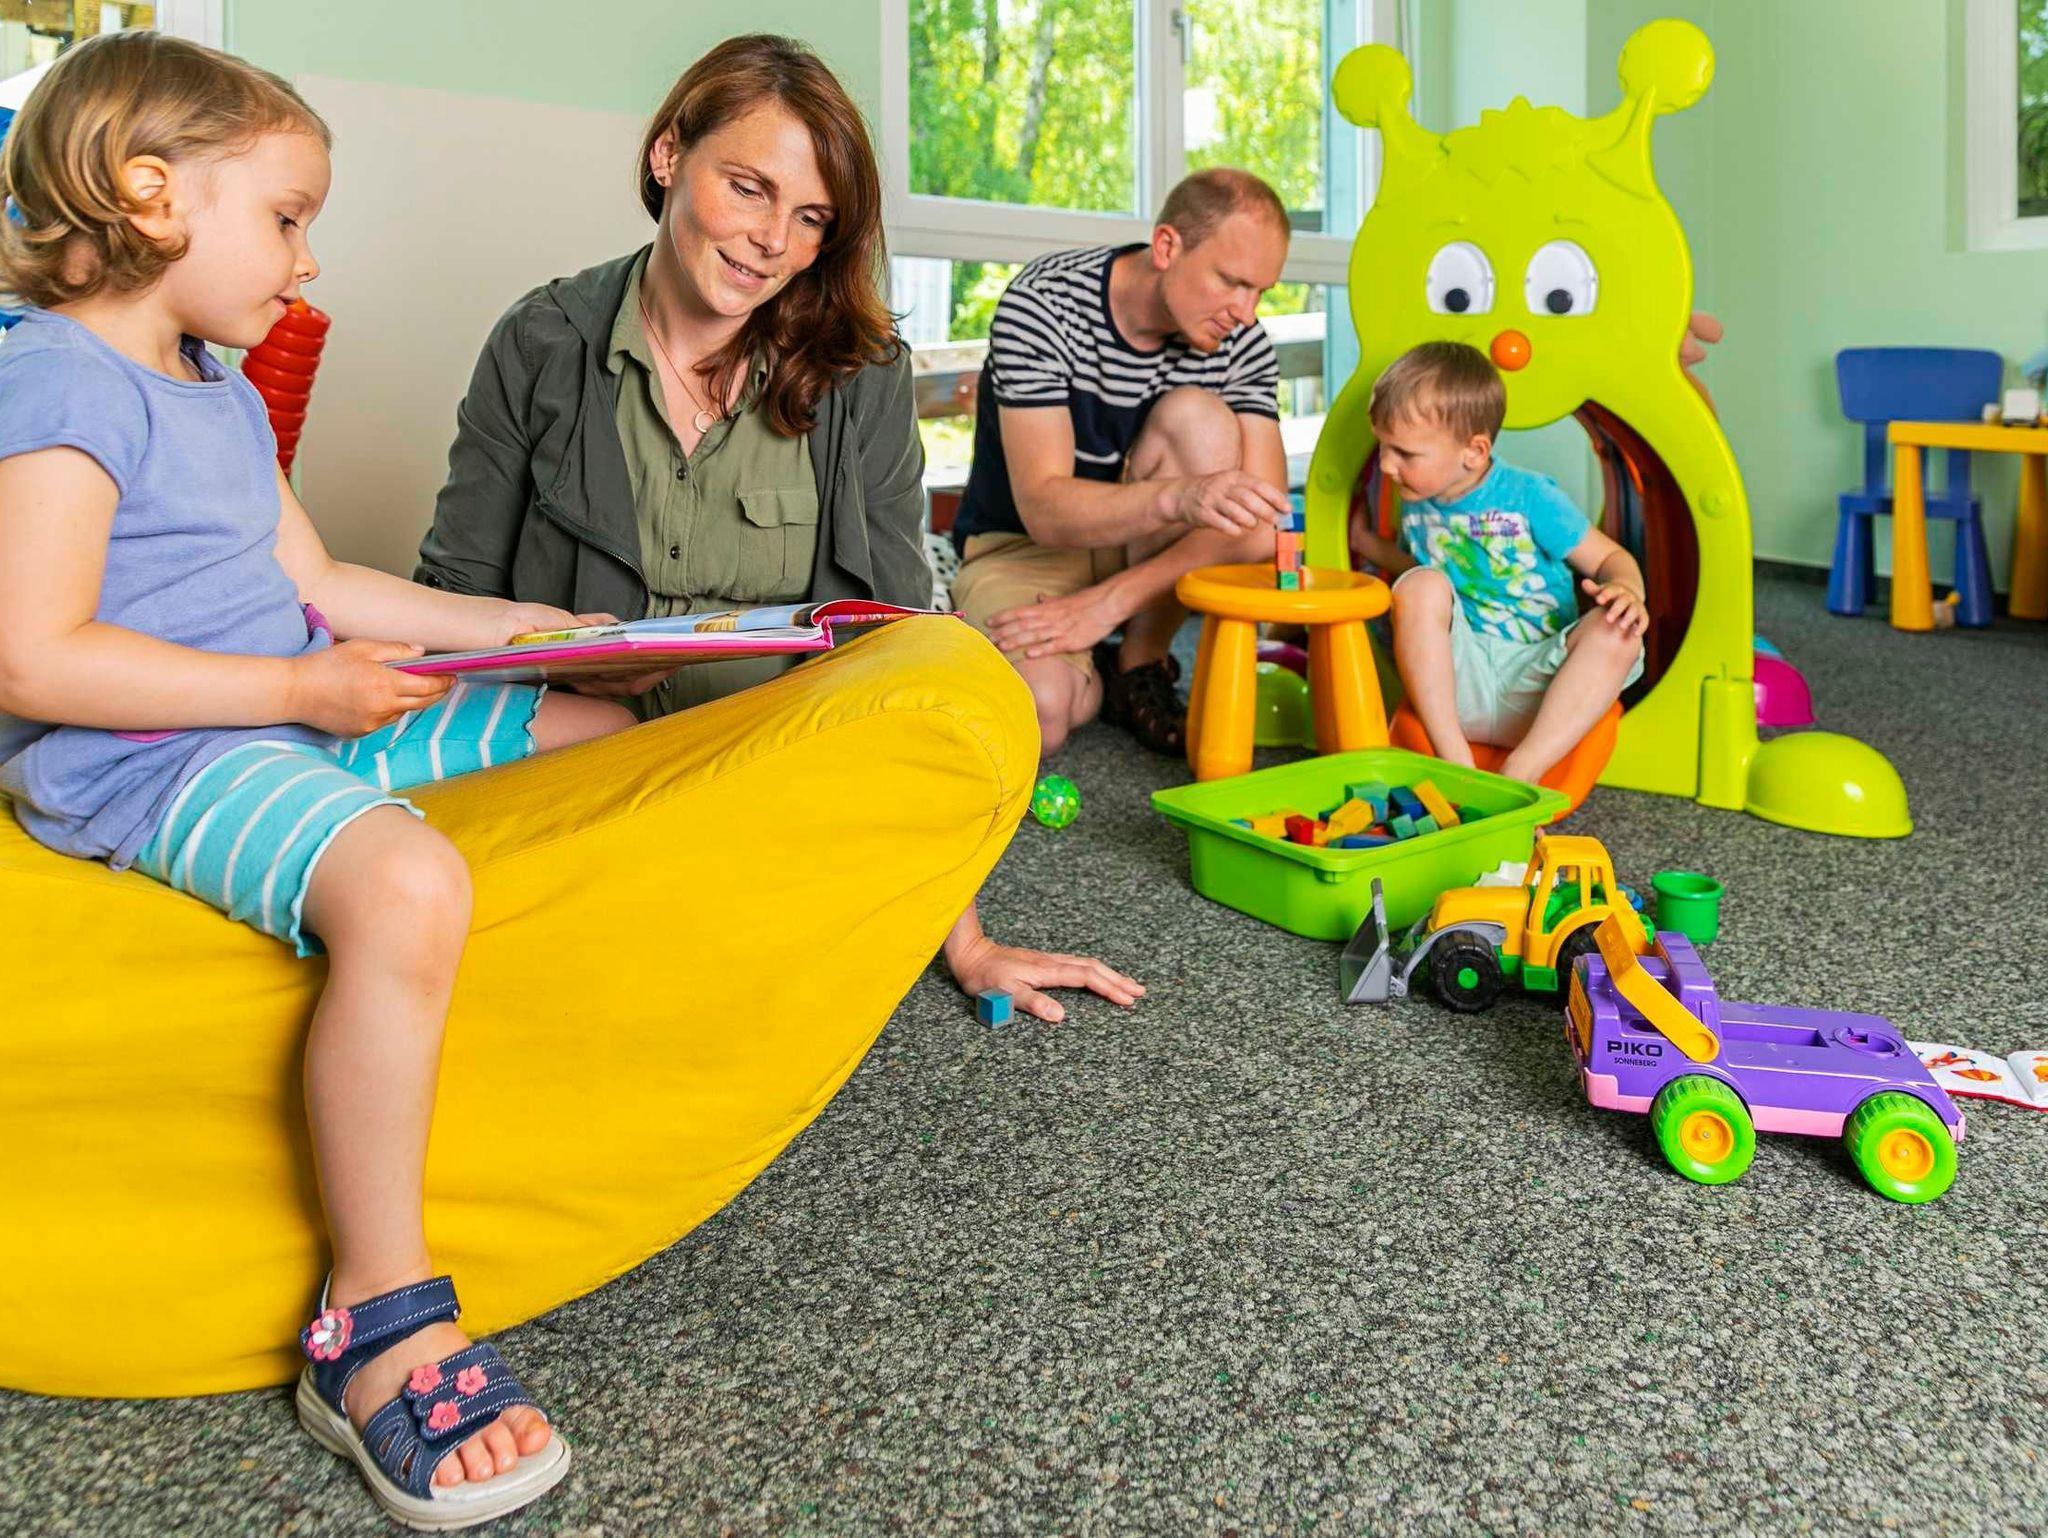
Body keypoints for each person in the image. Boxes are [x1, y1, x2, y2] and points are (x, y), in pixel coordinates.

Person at [0, 32, 625, 1527]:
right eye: (286, 217)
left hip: (284, 705)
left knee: (595, 732)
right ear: (149, 193)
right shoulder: (53, 379)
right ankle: (376, 1317)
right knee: (405, 877)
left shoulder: (212, 382)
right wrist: (295, 694)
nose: (308, 257)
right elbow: (32, 656)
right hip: (145, 758)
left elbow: (321, 580)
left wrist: (523, 628)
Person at [415, 34, 1139, 1025]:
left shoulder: (862, 373)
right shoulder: (539, 343)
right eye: (749, 189)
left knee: (968, 678)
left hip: (775, 769)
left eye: (809, 219)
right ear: (668, 155)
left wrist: (966, 941)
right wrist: (556, 653)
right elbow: (451, 596)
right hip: (580, 756)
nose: (771, 241)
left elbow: (903, 649)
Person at [948, 169, 1294, 757]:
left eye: (1260, 291)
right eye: (1232, 281)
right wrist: (1182, 497)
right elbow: (1045, 511)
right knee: (1040, 714)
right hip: (1025, 547)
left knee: (1200, 420)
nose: (1246, 311)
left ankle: (1142, 657)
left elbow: (1264, 525)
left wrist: (1107, 602)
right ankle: (1094, 678)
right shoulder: (1045, 304)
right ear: (1166, 246)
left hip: (1144, 554)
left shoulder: (1243, 345)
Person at [1346, 341, 1647, 784]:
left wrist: (1627, 589)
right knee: (1418, 584)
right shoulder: (1417, 498)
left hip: (1542, 685)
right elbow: (1417, 566)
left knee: (1620, 630)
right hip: (1455, 682)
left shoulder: (1530, 496)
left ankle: (1523, 770)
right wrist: (1366, 544)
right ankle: (1455, 762)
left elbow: (1610, 558)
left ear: (1473, 451)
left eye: (1404, 453)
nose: (1387, 465)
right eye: (1382, 447)